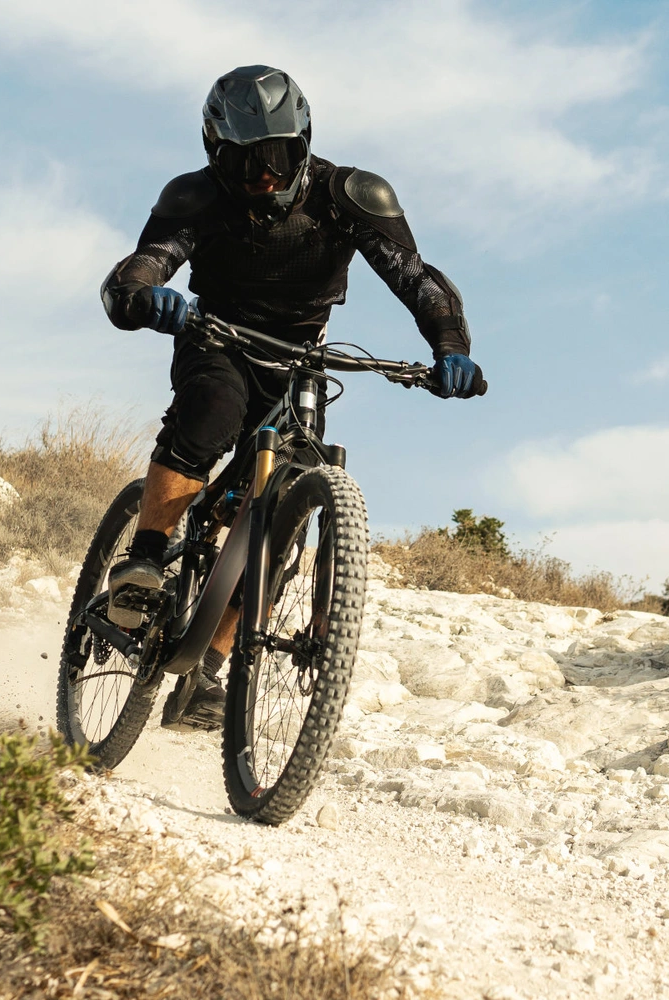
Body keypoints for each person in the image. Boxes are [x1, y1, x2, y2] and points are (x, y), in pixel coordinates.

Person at [100, 65, 484, 729]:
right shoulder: (194, 198)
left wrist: (450, 347)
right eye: (245, 161)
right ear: (215, 155)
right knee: (211, 415)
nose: (264, 175)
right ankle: (143, 563)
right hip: (216, 340)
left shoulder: (349, 196)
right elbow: (144, 266)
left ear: (304, 143)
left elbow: (418, 280)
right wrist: (144, 296)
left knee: (287, 514)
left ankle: (209, 669)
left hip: (302, 361)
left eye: (278, 155)